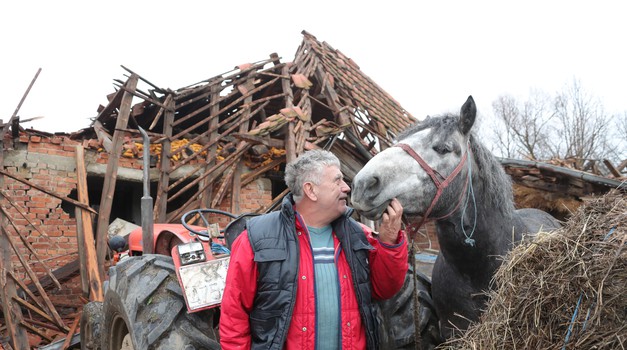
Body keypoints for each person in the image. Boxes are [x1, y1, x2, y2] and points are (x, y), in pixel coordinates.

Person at [219, 149, 408, 350]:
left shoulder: (359, 235)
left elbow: (385, 289)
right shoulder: (256, 237)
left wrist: (389, 242)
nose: (346, 188)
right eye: (337, 181)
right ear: (311, 190)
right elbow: (234, 314)